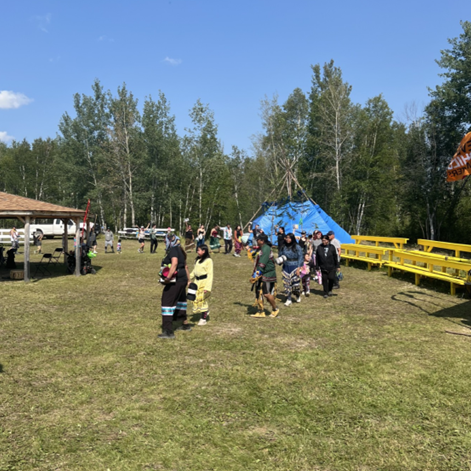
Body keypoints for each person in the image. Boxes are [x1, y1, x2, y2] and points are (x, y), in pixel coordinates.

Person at [159, 234, 191, 339]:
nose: (165, 243)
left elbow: (174, 264)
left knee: (167, 301)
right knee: (181, 302)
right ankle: (185, 324)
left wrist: (167, 278)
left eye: (165, 241)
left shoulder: (173, 250)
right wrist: (188, 280)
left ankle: (168, 331)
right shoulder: (180, 250)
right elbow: (185, 266)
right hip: (182, 279)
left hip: (175, 280)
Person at [251, 234, 279, 318]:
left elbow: (262, 263)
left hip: (267, 274)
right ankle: (261, 311)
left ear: (262, 241)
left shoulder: (266, 249)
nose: (257, 241)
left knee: (266, 294)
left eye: (258, 240)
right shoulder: (262, 248)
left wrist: (257, 274)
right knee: (259, 293)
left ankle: (275, 309)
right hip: (263, 274)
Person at [189, 244, 213, 326]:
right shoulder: (197, 260)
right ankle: (205, 312)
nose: (197, 252)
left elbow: (210, 274)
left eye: (199, 250)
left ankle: (203, 319)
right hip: (196, 282)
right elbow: (194, 271)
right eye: (197, 250)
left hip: (204, 282)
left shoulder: (208, 261)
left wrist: (207, 287)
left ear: (204, 251)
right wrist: (188, 278)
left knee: (203, 300)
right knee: (195, 299)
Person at [279, 233, 304, 306]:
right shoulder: (283, 247)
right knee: (287, 283)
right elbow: (280, 255)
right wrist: (280, 260)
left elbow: (300, 257)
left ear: (292, 239)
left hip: (295, 266)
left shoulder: (297, 246)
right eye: (286, 238)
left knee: (295, 283)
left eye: (289, 238)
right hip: (286, 266)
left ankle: (297, 295)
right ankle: (289, 298)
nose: (287, 239)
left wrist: (299, 268)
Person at [316, 234, 340, 298]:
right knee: (324, 279)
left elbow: (335, 257)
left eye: (324, 240)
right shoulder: (319, 247)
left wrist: (337, 266)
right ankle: (325, 292)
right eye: (322, 240)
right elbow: (317, 258)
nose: (323, 241)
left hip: (331, 266)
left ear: (327, 240)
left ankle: (330, 290)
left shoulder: (332, 247)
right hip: (323, 267)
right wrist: (317, 266)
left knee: (331, 278)